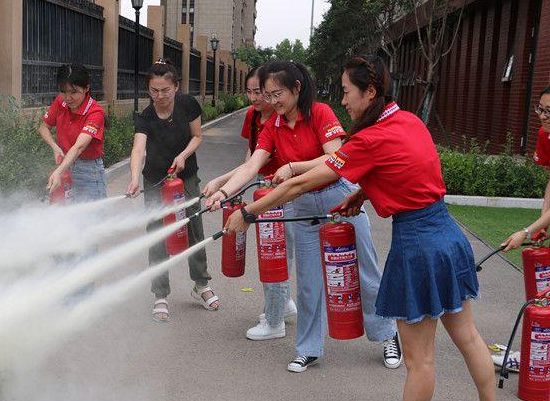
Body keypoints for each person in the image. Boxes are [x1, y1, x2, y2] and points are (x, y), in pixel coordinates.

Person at [224, 54, 515, 401]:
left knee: (420, 359)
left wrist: (249, 213)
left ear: (370, 92)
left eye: (347, 91)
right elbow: (406, 168)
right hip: (448, 235)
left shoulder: (369, 139)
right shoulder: (407, 121)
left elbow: (302, 184)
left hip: (418, 246)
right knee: (467, 336)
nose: (343, 100)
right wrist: (362, 193)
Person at [205, 60, 400, 372]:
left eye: (276, 94)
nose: (271, 102)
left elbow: (336, 157)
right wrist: (223, 191)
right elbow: (252, 166)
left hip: (341, 198)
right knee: (308, 282)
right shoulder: (273, 125)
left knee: (365, 272)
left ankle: (387, 334)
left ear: (297, 88)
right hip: (302, 206)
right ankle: (309, 348)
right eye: (267, 95)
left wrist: (295, 167)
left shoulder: (320, 112)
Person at [203, 66, 297, 340]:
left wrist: (225, 185)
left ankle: (275, 317)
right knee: (271, 252)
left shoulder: (279, 121)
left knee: (276, 255)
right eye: (251, 91)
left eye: (262, 92)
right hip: (263, 192)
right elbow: (251, 160)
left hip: (283, 194)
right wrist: (225, 186)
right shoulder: (254, 117)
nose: (255, 97)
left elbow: (261, 161)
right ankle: (283, 305)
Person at [126, 60, 220, 322]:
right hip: (155, 181)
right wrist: (134, 177)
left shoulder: (188, 104)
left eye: (165, 90)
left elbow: (197, 136)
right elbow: (137, 149)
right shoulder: (145, 117)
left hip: (186, 177)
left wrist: (183, 156)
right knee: (157, 234)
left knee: (193, 228)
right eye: (154, 91)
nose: (160, 96)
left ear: (176, 87)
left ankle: (201, 284)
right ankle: (160, 294)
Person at [41, 64, 107, 202]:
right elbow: (43, 127)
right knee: (67, 214)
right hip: (66, 167)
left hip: (89, 172)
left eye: (73, 92)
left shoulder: (95, 112)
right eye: (63, 91)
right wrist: (55, 147)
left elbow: (79, 147)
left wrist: (58, 172)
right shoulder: (60, 102)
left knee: (93, 217)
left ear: (86, 88)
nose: (68, 97)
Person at [532, 85, 550, 214]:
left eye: (549, 111)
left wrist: (527, 232)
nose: (542, 117)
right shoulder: (544, 134)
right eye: (540, 109)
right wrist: (543, 218)